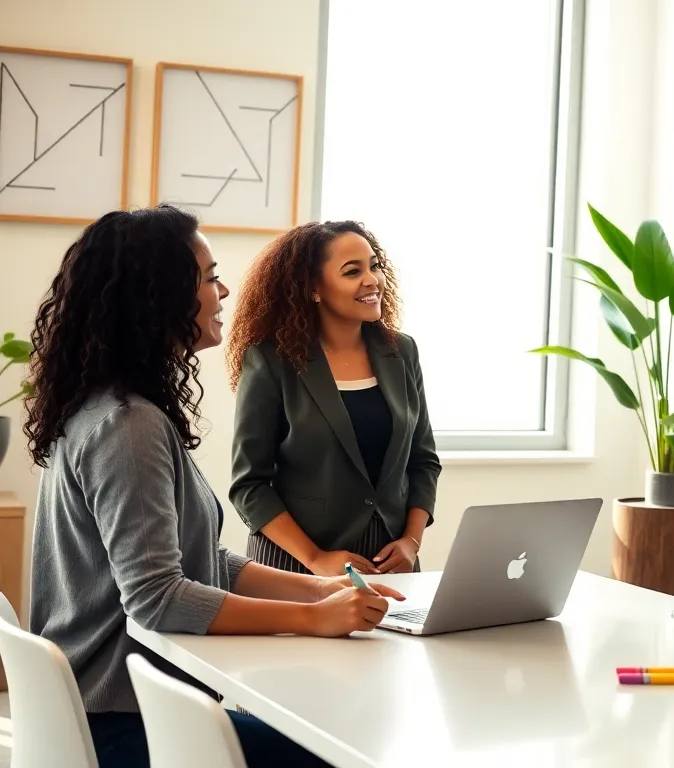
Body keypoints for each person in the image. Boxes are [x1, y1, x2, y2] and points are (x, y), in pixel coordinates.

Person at [25, 206, 405, 768]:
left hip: (123, 710)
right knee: (348, 747)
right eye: (207, 276)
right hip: (126, 725)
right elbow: (157, 597)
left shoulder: (112, 408)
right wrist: (312, 620)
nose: (223, 289)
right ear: (159, 296)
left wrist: (318, 591)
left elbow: (201, 561)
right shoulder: (128, 426)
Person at [227, 221, 441, 576]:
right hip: (296, 564)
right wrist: (314, 558)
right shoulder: (271, 360)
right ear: (314, 289)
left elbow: (423, 461)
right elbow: (249, 486)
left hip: (389, 563)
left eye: (374, 266)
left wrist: (411, 543)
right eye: (352, 271)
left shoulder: (401, 351)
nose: (372, 279)